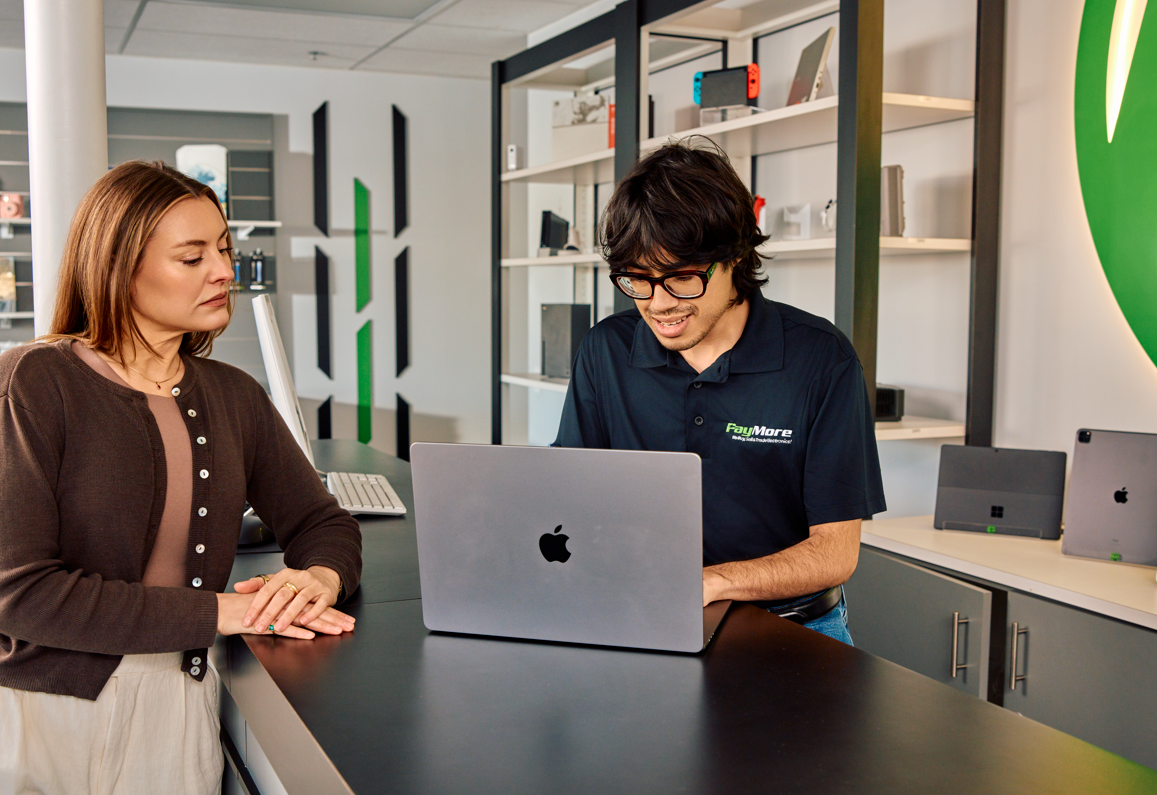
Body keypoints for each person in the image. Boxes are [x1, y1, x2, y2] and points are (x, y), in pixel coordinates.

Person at [0, 160, 362, 794]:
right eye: (191, 258)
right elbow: (18, 592)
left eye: (222, 249)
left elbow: (323, 521)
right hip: (45, 712)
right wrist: (225, 612)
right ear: (117, 269)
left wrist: (315, 580)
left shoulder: (233, 395)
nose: (223, 270)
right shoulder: (33, 381)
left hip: (182, 703)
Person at [553, 138, 886, 644]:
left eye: (681, 278)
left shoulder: (822, 361)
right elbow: (568, 497)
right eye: (637, 280)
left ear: (734, 257)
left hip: (793, 631)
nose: (659, 304)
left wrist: (712, 582)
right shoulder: (604, 352)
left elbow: (837, 552)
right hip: (642, 614)